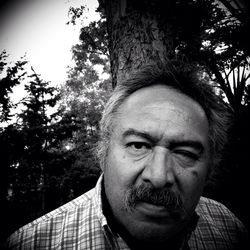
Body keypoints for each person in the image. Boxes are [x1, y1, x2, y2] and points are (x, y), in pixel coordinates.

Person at [6, 62, 248, 249]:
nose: (158, 176)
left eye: (184, 152)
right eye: (138, 146)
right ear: (103, 153)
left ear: (209, 170)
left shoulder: (230, 228)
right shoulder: (31, 242)